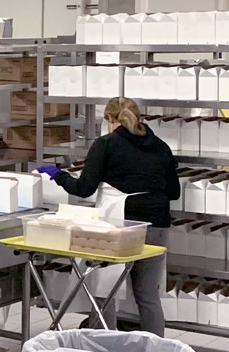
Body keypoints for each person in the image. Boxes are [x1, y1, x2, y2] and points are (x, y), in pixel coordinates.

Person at [37, 97, 180, 337]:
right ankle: (157, 351)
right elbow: (173, 192)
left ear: (110, 119)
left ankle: (104, 345)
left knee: (105, 289)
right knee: (148, 295)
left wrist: (58, 175)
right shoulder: (161, 147)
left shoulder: (106, 144)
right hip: (157, 223)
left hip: (121, 224)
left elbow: (84, 188)